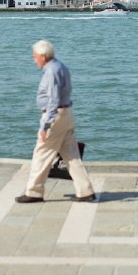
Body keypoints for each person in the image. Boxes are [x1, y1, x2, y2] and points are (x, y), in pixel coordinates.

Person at [16, 40, 96, 204]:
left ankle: (34, 192)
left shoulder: (51, 71)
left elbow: (53, 99)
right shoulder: (61, 66)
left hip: (55, 116)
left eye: (35, 57)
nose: (34, 60)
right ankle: (85, 191)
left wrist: (45, 125)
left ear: (43, 56)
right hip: (67, 114)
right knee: (71, 155)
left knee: (41, 153)